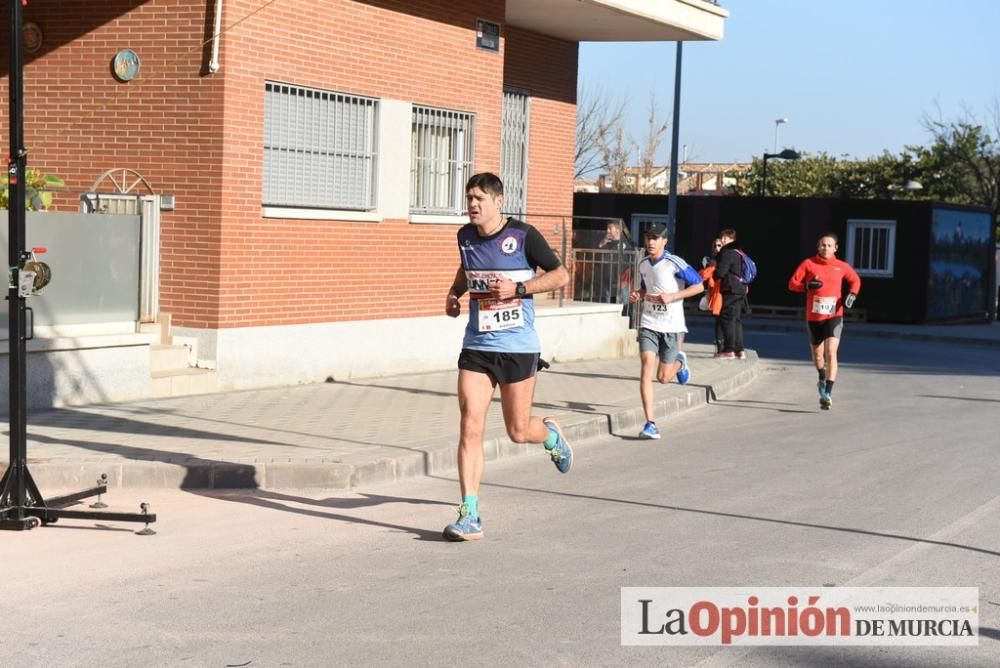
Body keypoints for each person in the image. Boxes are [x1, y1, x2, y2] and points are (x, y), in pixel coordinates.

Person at [442, 172, 573, 541]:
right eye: (469, 197)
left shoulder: (523, 236)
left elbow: (561, 275)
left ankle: (549, 436)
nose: (472, 204)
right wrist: (454, 293)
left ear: (499, 202)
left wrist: (520, 287)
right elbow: (467, 269)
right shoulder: (464, 236)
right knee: (470, 425)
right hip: (478, 346)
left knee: (517, 431)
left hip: (517, 347)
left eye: (479, 198)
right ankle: (470, 513)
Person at [628, 223, 705, 440]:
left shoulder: (674, 262)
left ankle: (680, 362)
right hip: (649, 323)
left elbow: (699, 286)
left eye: (656, 238)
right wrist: (638, 294)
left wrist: (672, 296)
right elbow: (646, 288)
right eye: (648, 237)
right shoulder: (643, 264)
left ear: (664, 241)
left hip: (671, 326)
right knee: (646, 368)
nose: (651, 242)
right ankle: (650, 423)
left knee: (663, 378)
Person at [788, 232, 862, 410]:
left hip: (834, 315)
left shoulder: (841, 266)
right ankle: (821, 375)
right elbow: (792, 283)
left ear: (835, 248)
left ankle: (827, 393)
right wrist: (806, 286)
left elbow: (855, 280)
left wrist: (852, 295)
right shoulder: (809, 264)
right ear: (817, 246)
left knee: (831, 352)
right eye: (822, 245)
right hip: (814, 317)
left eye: (829, 245)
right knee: (818, 356)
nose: (825, 248)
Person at [712, 228, 748, 359]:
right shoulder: (739, 252)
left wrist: (714, 276)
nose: (722, 240)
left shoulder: (727, 252)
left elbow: (721, 272)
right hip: (740, 290)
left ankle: (729, 350)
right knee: (736, 320)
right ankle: (740, 350)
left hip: (730, 289)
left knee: (727, 319)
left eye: (725, 238)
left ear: (731, 239)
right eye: (722, 237)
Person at [596, 220, 632, 304]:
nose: (607, 231)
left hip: (621, 282)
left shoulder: (626, 245)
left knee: (623, 306)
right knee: (606, 307)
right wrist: (601, 244)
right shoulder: (605, 243)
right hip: (606, 281)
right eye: (607, 228)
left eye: (610, 228)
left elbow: (630, 262)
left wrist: (626, 277)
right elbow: (596, 258)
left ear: (618, 230)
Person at [698, 238, 724, 353]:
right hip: (715, 293)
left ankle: (726, 345)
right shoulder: (708, 260)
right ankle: (720, 345)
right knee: (719, 319)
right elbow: (704, 276)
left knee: (725, 320)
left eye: (719, 245)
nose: (716, 248)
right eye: (714, 245)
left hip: (725, 292)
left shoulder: (726, 259)